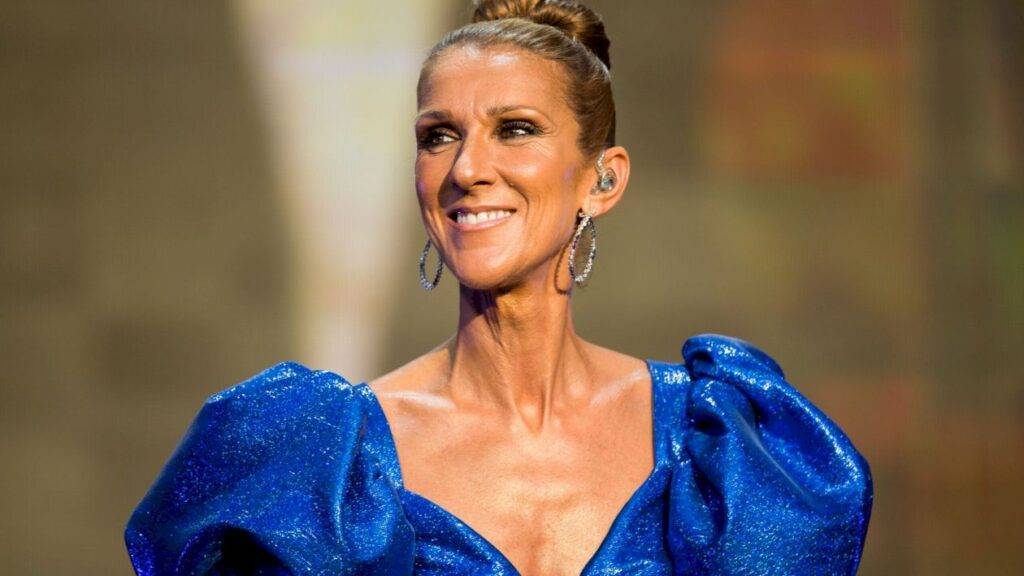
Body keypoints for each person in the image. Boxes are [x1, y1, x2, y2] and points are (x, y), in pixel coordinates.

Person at [124, 1, 873, 574]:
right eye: (438, 135)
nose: (466, 169)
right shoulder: (324, 465)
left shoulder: (722, 447)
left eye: (514, 129)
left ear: (603, 179)